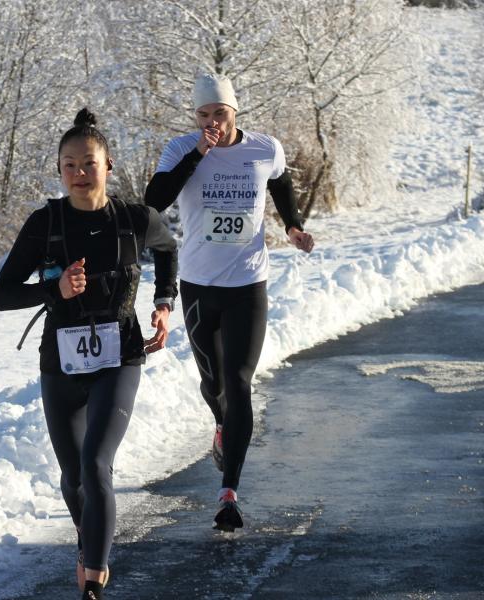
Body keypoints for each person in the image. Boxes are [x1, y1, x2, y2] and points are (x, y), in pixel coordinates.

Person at [0, 108, 178, 600]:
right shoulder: (44, 224)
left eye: (89, 163)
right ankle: (87, 536)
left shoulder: (135, 219)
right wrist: (56, 288)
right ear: (59, 171)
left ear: (108, 166)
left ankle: (93, 576)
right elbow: (3, 294)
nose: (79, 173)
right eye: (69, 164)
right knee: (74, 476)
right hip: (61, 362)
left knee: (97, 464)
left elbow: (169, 247)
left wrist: (164, 304)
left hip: (120, 356)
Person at [144, 73, 315, 532]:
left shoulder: (264, 148)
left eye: (220, 113)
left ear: (235, 112)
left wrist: (292, 226)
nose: (212, 122)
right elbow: (153, 202)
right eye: (204, 115)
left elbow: (279, 183)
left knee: (239, 381)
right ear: (195, 117)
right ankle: (222, 424)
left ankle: (229, 492)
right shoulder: (181, 149)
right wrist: (199, 154)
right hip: (198, 286)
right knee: (214, 384)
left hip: (247, 284)